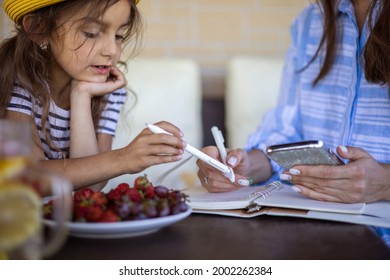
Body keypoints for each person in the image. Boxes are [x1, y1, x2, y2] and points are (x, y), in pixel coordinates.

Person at [197, 0, 390, 203]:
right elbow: (288, 134)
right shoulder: (311, 21)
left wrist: (385, 183)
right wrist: (244, 167)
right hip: (316, 220)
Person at [0, 0, 186, 192]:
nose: (112, 51)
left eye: (119, 36)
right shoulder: (18, 81)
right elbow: (24, 178)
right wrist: (124, 158)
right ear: (40, 29)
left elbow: (89, 188)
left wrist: (81, 95)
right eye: (91, 33)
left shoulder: (109, 91)